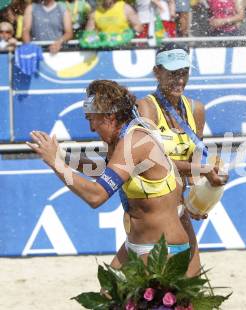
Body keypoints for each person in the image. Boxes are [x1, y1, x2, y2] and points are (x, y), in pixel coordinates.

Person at [27, 80, 190, 267]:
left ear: (109, 116)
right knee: (107, 294)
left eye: (91, 119)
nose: (91, 128)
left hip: (162, 249)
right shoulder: (123, 139)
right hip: (136, 245)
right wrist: (63, 156)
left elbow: (96, 196)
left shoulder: (133, 143)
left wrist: (55, 163)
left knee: (112, 296)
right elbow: (106, 173)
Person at [136, 43, 227, 277]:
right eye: (172, 73)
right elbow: (151, 162)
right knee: (150, 290)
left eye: (184, 72)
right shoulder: (146, 107)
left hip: (178, 208)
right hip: (150, 209)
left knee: (191, 286)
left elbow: (195, 162)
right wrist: (202, 169)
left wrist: (200, 198)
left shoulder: (196, 109)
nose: (179, 79)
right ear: (157, 72)